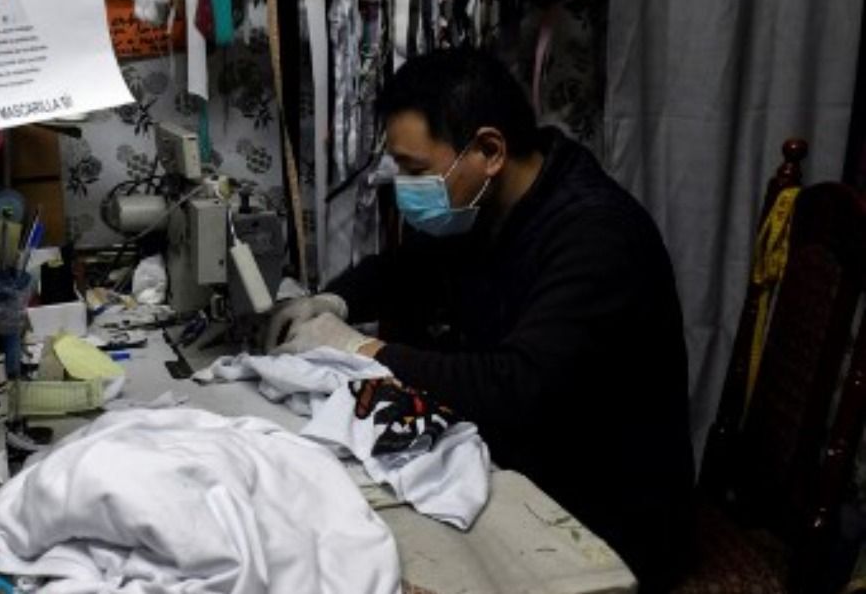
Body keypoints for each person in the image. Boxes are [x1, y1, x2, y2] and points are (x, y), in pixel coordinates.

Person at [268, 50, 694, 591]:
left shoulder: (597, 237)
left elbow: (517, 385)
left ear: (489, 150)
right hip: (527, 465)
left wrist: (360, 349)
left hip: (609, 518)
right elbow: (405, 267)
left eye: (415, 169)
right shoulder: (489, 205)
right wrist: (334, 305)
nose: (402, 186)